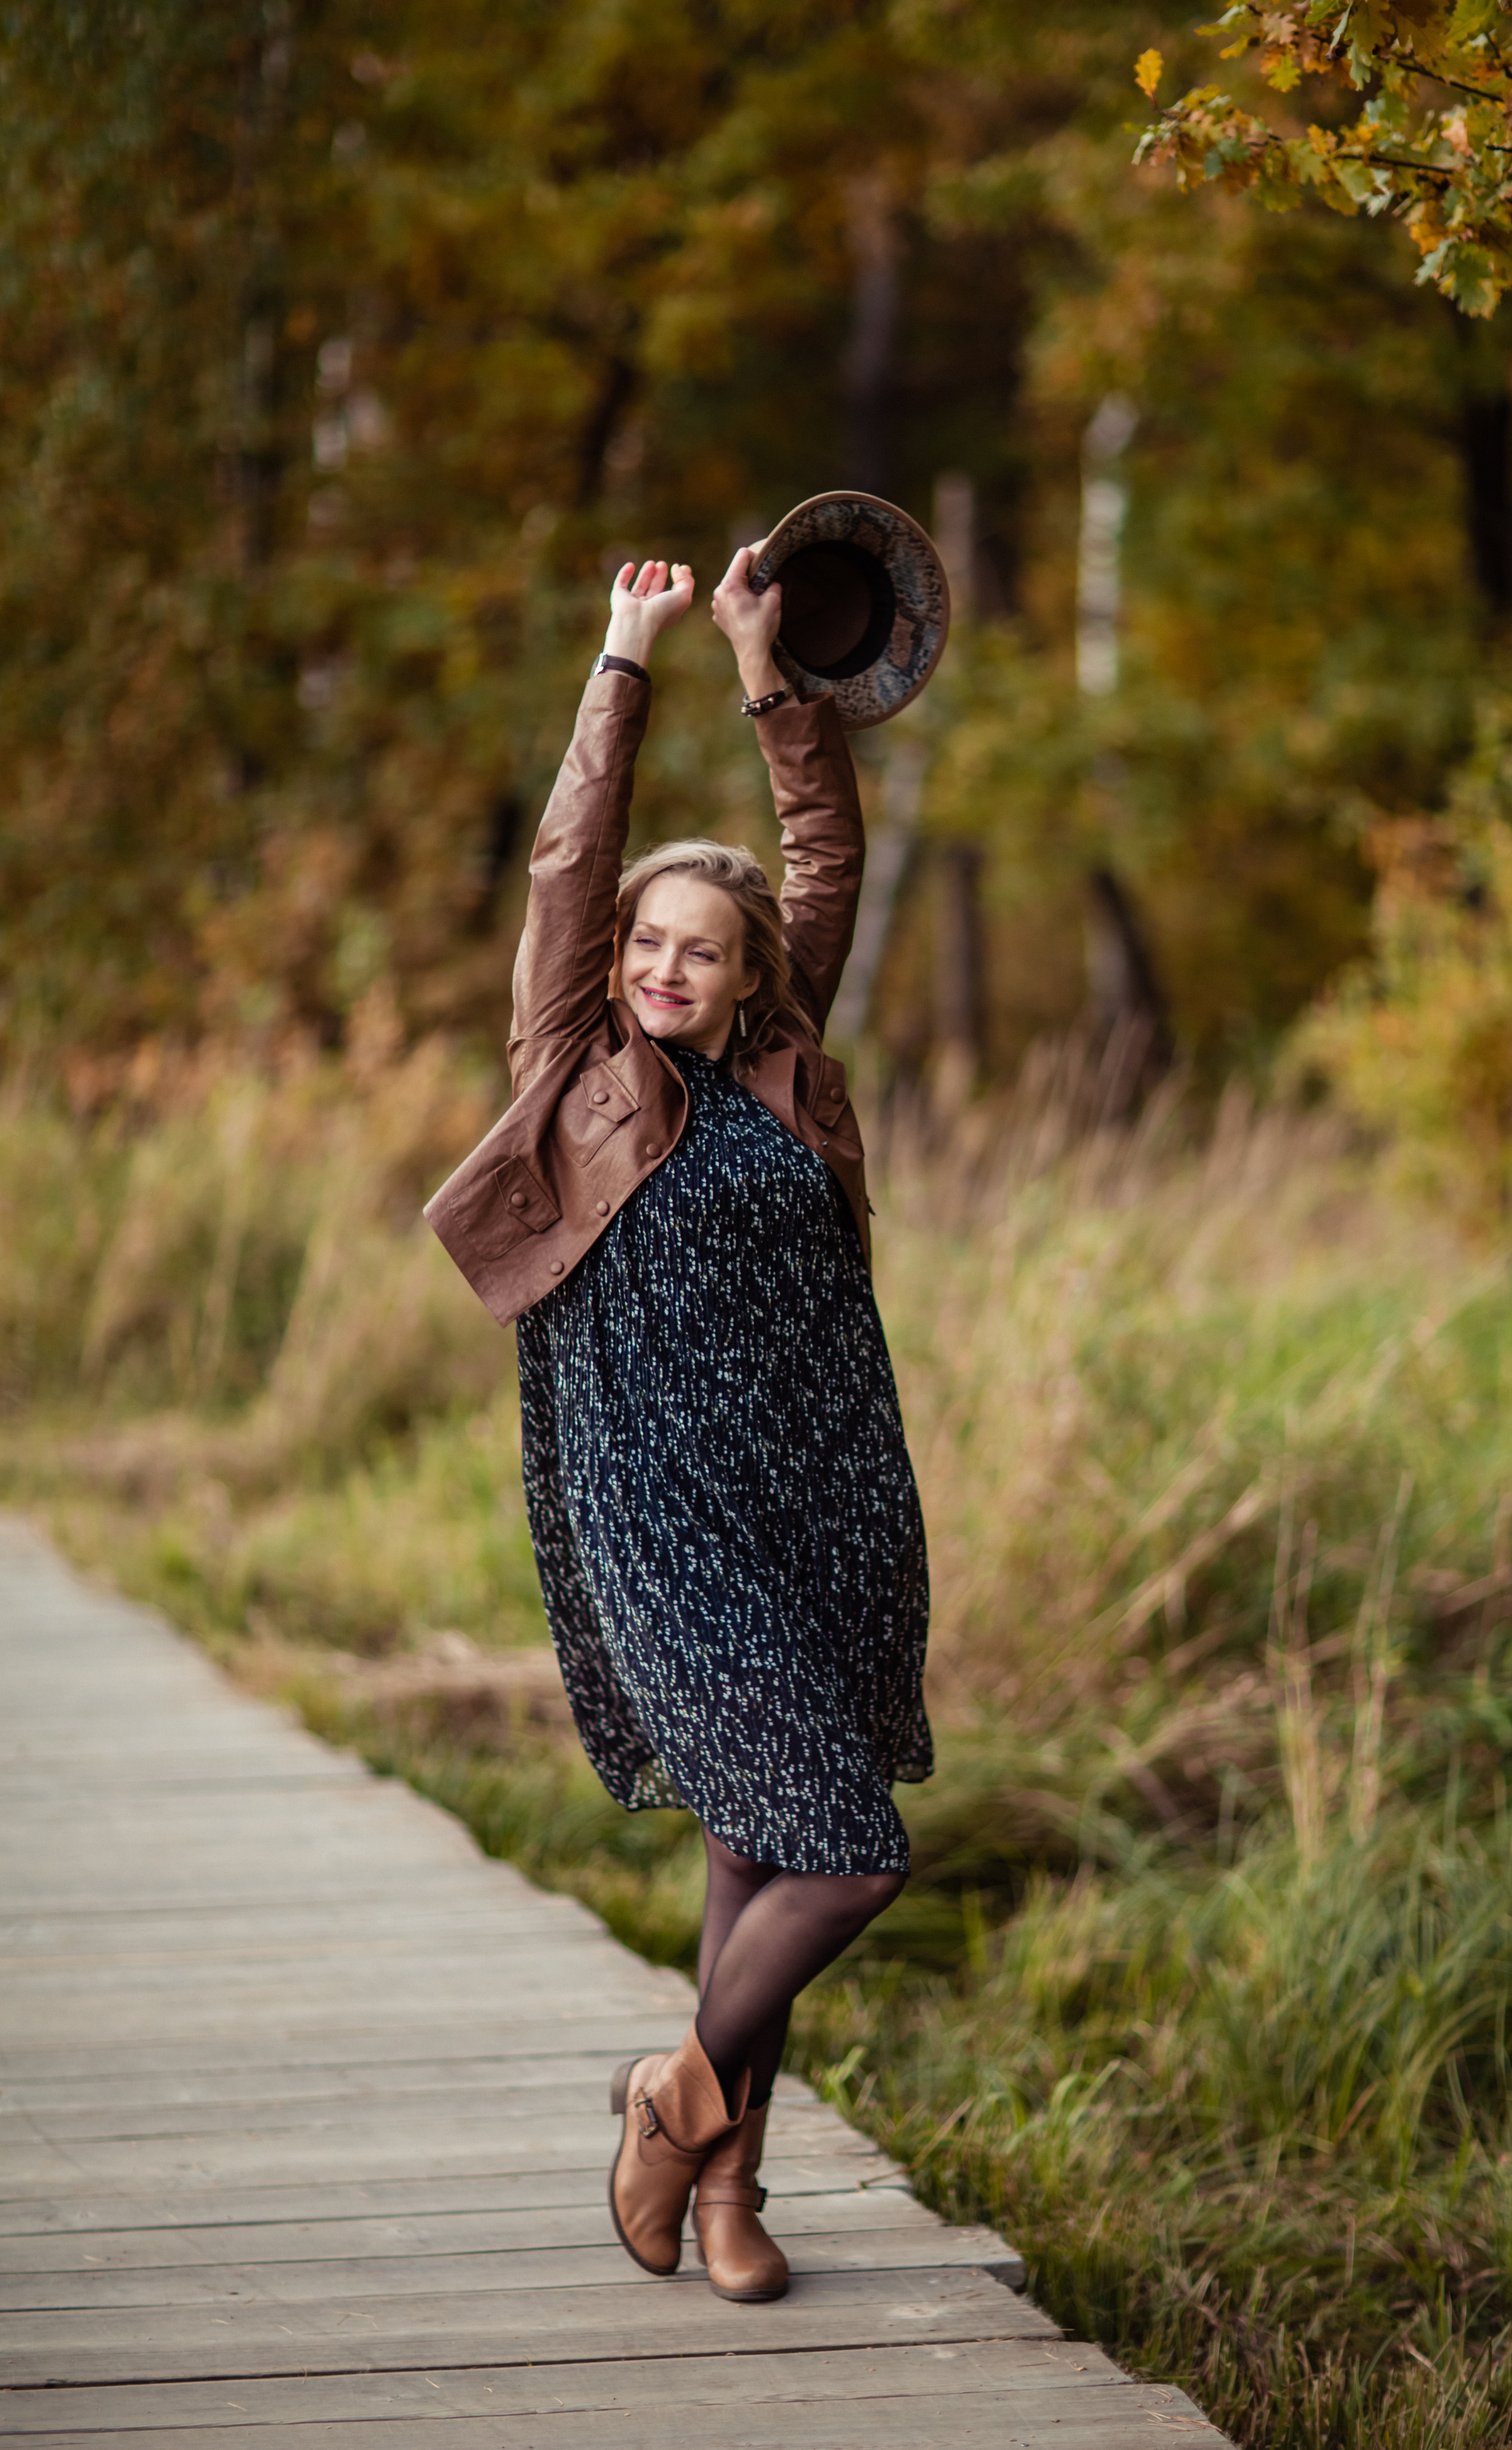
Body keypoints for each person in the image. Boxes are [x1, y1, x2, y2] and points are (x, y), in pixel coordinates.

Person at [494, 547, 933, 2304]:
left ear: (753, 978)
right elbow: (567, 861)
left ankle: (729, 2198)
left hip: (824, 1485)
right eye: (651, 944)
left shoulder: (783, 1051)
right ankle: (673, 2099)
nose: (671, 967)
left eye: (705, 950)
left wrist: (768, 667)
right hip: (655, 1496)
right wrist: (628, 653)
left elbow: (824, 850)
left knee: (758, 1843)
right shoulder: (571, 1059)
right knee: (850, 1849)